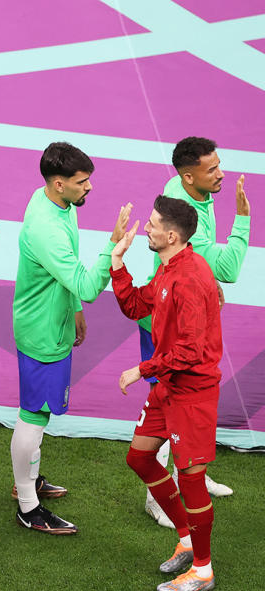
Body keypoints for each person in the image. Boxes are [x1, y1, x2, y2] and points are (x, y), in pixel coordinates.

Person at [11, 141, 131, 534]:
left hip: (55, 320)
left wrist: (75, 308)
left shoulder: (55, 202)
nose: (90, 188)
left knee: (38, 413)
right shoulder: (46, 228)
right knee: (34, 414)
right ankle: (27, 506)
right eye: (82, 182)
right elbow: (85, 280)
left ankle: (29, 481)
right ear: (59, 183)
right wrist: (114, 245)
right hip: (42, 333)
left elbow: (70, 277)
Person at [111, 195, 222, 591]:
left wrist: (142, 369)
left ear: (171, 235)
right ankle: (187, 538)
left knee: (192, 479)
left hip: (192, 392)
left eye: (154, 224)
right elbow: (135, 304)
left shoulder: (190, 278)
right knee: (140, 456)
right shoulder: (169, 267)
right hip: (169, 386)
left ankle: (204, 570)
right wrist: (118, 262)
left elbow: (191, 351)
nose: (147, 228)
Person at [138, 137, 248, 527]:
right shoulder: (184, 211)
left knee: (188, 406)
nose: (220, 174)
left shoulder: (196, 191)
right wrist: (243, 220)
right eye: (212, 169)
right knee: (169, 403)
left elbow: (204, 266)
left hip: (181, 311)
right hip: (168, 325)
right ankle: (158, 497)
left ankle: (193, 469)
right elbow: (229, 268)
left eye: (218, 165)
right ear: (188, 176)